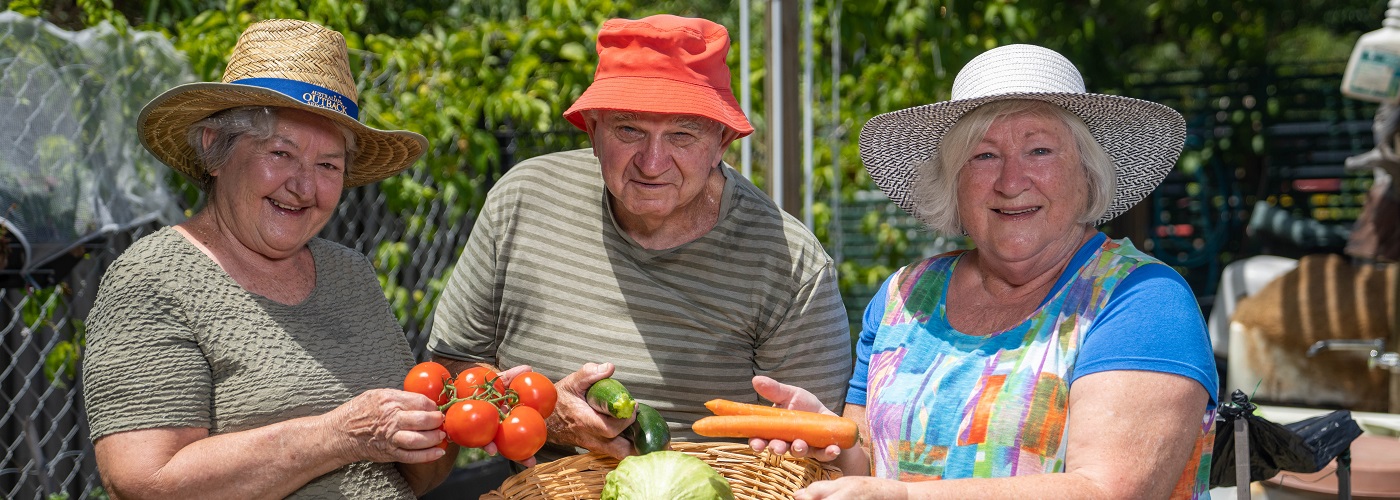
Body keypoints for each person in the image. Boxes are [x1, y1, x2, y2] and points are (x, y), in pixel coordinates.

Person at [748, 44, 1219, 499]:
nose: (1011, 182)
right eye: (984, 155)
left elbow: (1109, 490)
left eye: (1040, 151)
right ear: (954, 182)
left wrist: (904, 498)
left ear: (1088, 174)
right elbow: (870, 469)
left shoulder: (1141, 300)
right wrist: (831, 442)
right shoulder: (904, 297)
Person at [81, 19, 525, 498]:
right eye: (281, 152)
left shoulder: (347, 272)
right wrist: (339, 436)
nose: (304, 186)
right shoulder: (153, 278)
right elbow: (144, 482)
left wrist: (468, 407)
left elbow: (415, 474)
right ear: (214, 149)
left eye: (328, 165)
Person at [428, 14, 853, 461]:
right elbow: (449, 368)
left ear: (722, 142)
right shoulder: (523, 201)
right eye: (629, 130)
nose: (652, 163)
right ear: (593, 130)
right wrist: (543, 411)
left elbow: (822, 449)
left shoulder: (789, 262)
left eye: (682, 135)